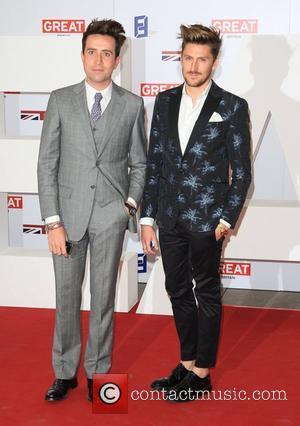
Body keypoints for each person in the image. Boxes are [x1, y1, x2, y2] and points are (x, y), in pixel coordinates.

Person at [140, 23, 251, 402]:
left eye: (202, 59)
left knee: (206, 293)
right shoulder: (165, 101)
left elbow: (243, 172)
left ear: (214, 62)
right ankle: (186, 363)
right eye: (188, 58)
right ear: (180, 58)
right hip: (169, 216)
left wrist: (225, 219)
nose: (193, 66)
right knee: (176, 290)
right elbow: (154, 163)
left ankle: (202, 373)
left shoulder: (232, 106)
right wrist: (146, 218)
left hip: (208, 220)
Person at [38, 19, 147, 402]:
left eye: (106, 53)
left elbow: (141, 163)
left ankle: (98, 373)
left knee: (103, 300)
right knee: (66, 298)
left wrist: (129, 205)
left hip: (110, 217)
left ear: (117, 59)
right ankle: (64, 372)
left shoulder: (133, 105)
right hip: (66, 219)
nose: (98, 60)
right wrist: (52, 221)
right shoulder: (60, 99)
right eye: (91, 52)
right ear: (82, 55)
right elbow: (46, 164)